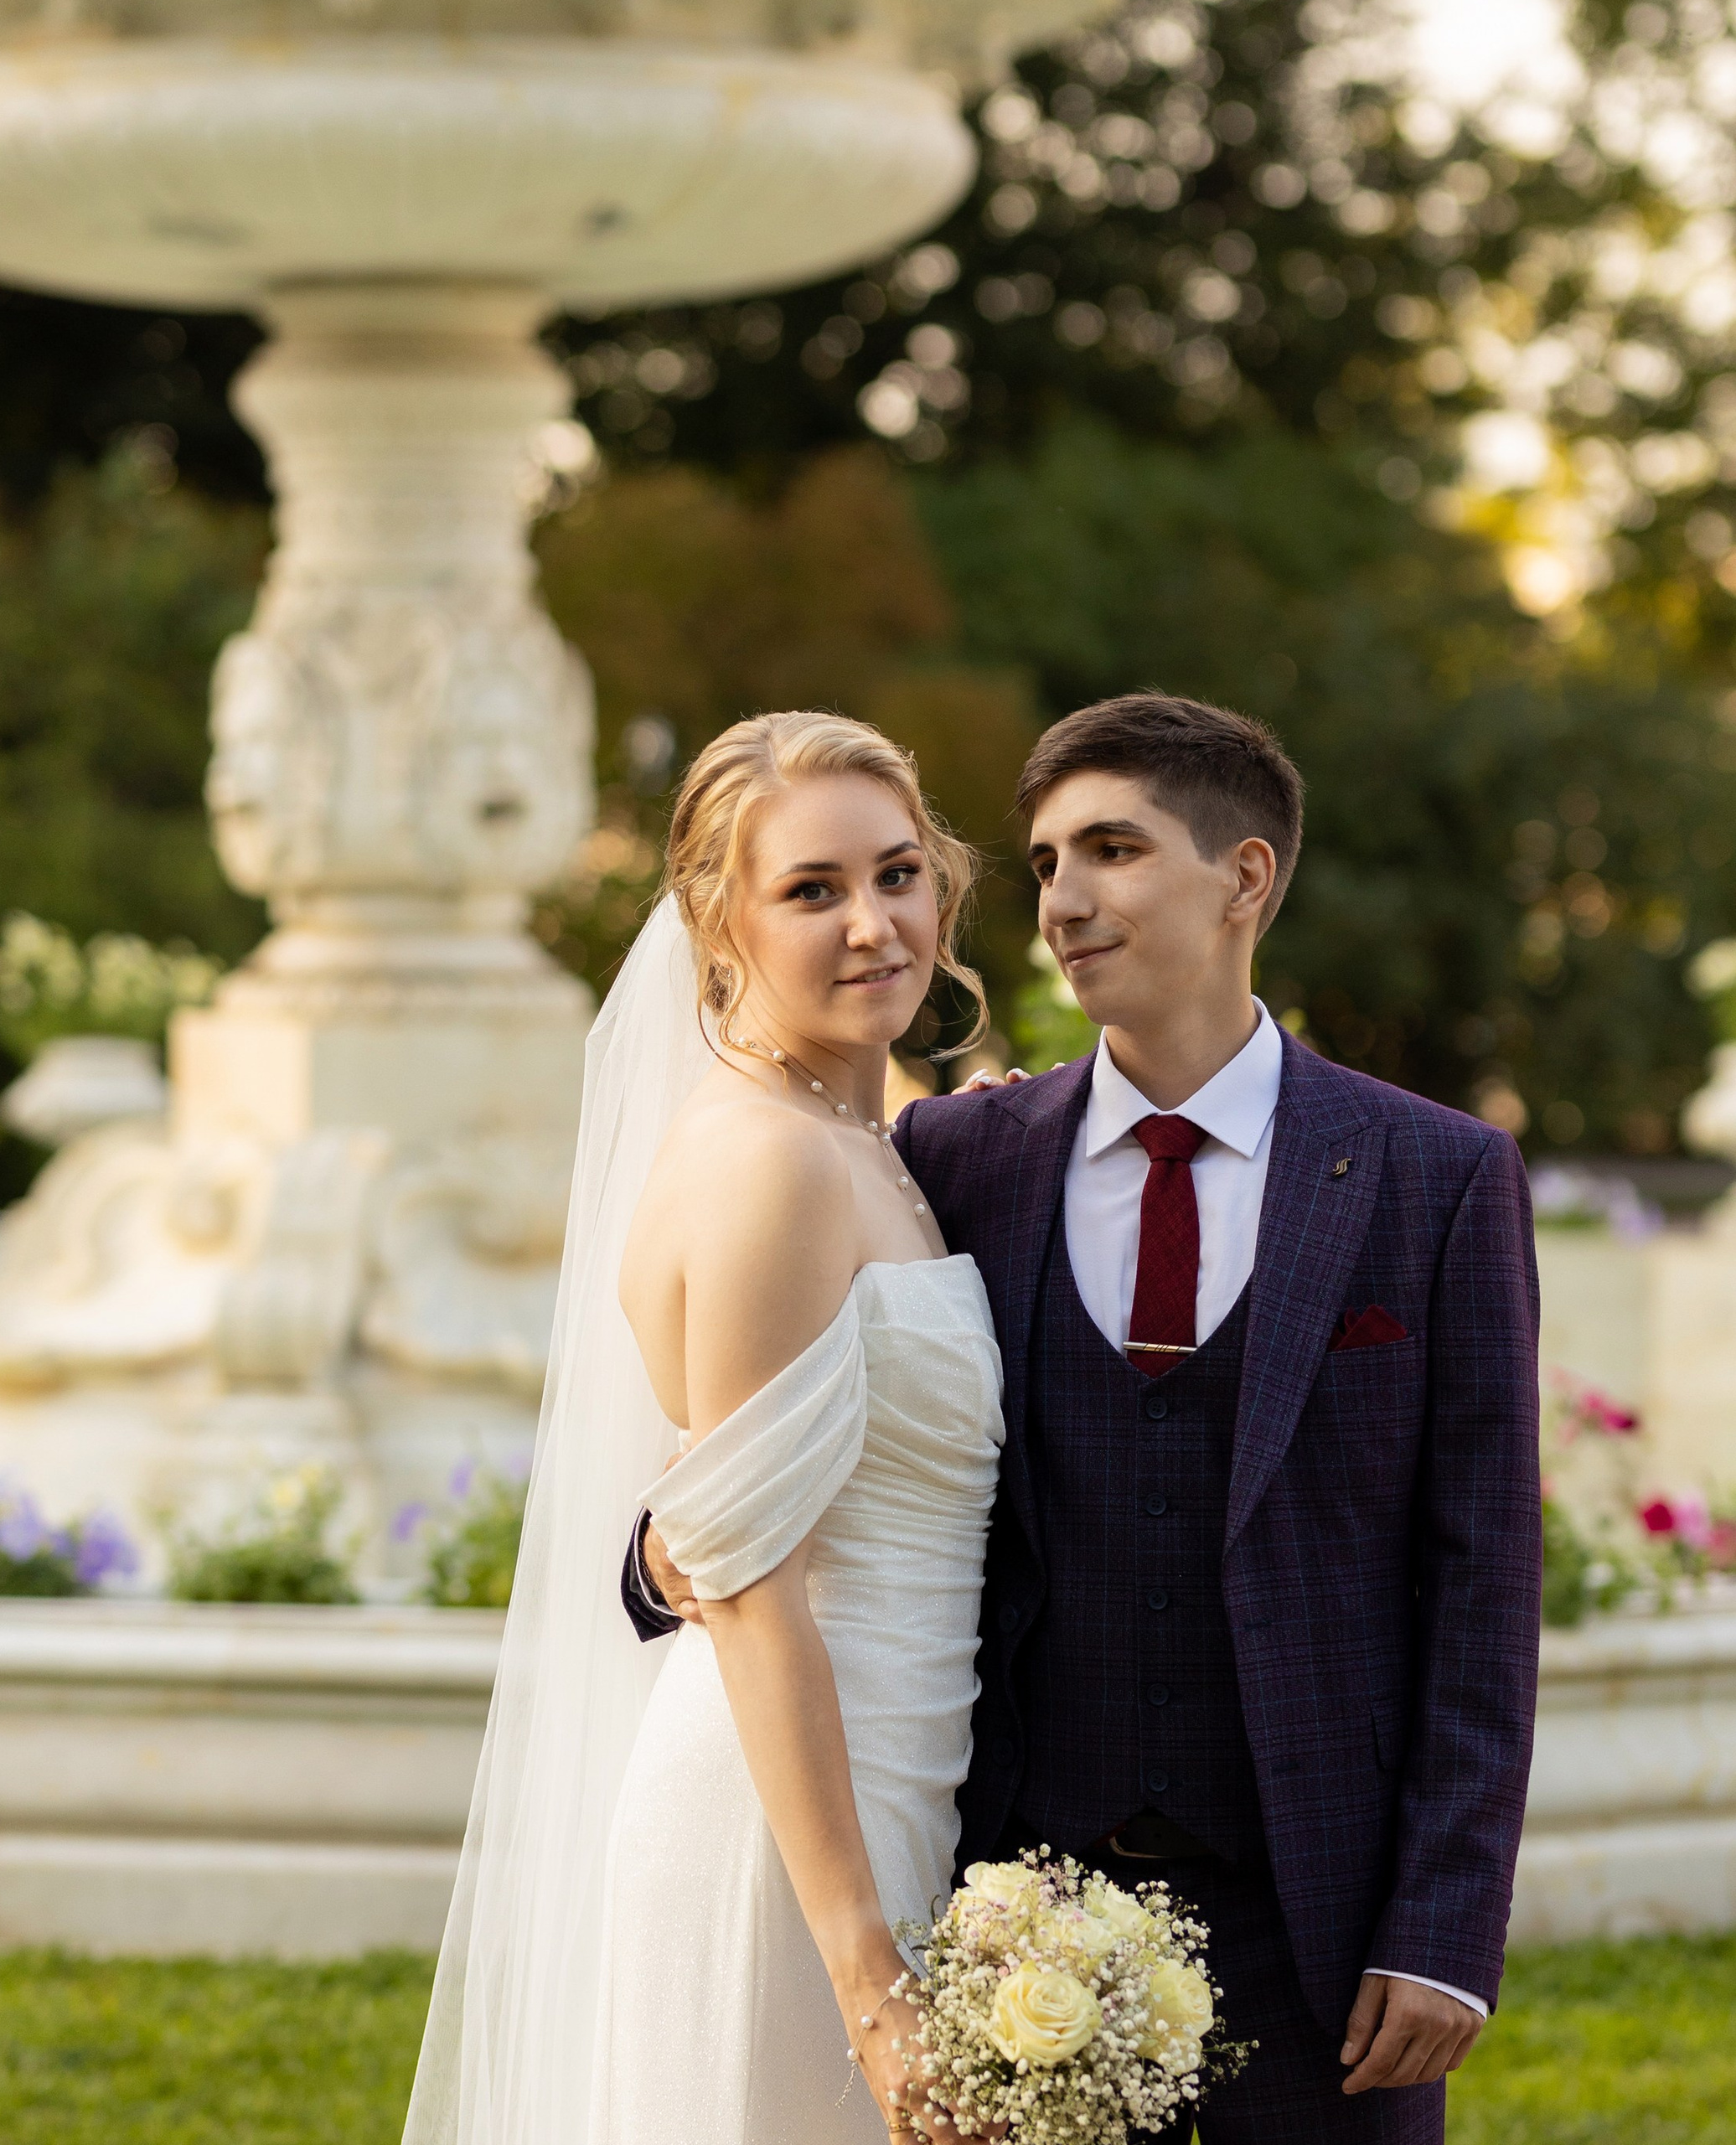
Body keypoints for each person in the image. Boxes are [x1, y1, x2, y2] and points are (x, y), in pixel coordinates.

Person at [640, 693, 1544, 2142]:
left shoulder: (1434, 1178)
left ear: (1246, 879)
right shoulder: (954, 1156)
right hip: (1007, 1902)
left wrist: (1444, 1922)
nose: (1063, 899)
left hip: (1324, 1933)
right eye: (1047, 860)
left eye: (1113, 850)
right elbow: (762, 1447)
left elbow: (1485, 1576)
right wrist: (667, 1552)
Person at [403, 711, 1009, 2145]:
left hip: (907, 1776)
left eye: (899, 874)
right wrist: (868, 1973)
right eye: (812, 891)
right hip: (785, 1831)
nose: (873, 924)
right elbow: (743, 1587)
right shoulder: (769, 1165)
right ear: (716, 921)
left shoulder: (864, 1135)